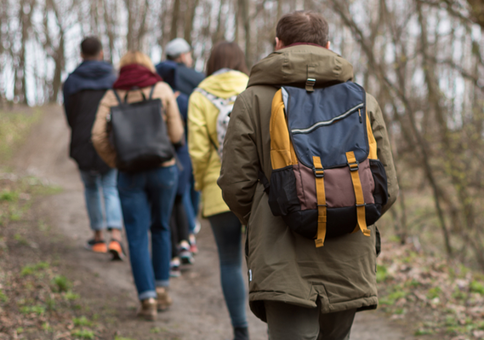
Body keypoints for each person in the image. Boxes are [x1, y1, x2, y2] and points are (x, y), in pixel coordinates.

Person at [218, 11, 399, 340]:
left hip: (280, 253)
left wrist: (268, 218)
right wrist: (347, 213)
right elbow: (388, 187)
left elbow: (235, 184)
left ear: (278, 44)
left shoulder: (250, 101)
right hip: (349, 254)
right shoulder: (363, 100)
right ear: (329, 46)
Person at [91, 51, 184, 320]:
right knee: (161, 227)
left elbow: (97, 137)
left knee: (136, 235)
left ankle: (147, 299)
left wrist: (117, 160)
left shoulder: (112, 95)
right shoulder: (162, 89)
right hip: (163, 170)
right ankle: (163, 289)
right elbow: (177, 134)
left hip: (130, 174)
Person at [188, 41, 250, 340]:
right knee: (265, 258)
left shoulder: (199, 95)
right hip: (256, 189)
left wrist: (202, 187)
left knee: (228, 260)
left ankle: (240, 329)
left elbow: (198, 152)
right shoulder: (255, 86)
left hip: (219, 189)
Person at [62, 36, 124, 259]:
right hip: (109, 141)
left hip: (82, 141)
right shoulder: (113, 77)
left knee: (90, 188)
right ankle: (115, 237)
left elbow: (70, 115)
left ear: (81, 54)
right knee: (110, 187)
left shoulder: (71, 81)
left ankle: (98, 239)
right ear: (101, 53)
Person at [156, 38, 206, 253]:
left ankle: (187, 233)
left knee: (180, 187)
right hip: (195, 138)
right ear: (183, 55)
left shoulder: (159, 76)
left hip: (170, 142)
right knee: (192, 185)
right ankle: (191, 228)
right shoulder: (197, 78)